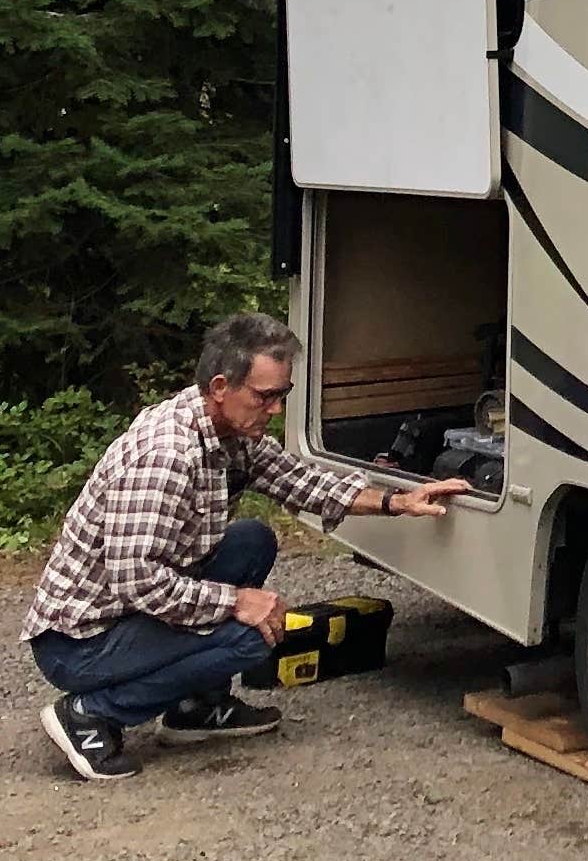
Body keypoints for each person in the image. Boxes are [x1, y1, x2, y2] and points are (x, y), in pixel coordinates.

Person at [28, 311, 471, 782]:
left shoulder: (226, 431)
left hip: (128, 611)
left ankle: (195, 705)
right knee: (248, 637)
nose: (276, 409)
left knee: (251, 541)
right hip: (82, 642)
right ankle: (90, 713)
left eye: (283, 395)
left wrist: (398, 500)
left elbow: (302, 482)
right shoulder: (166, 455)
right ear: (221, 386)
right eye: (266, 396)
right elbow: (138, 581)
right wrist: (236, 601)